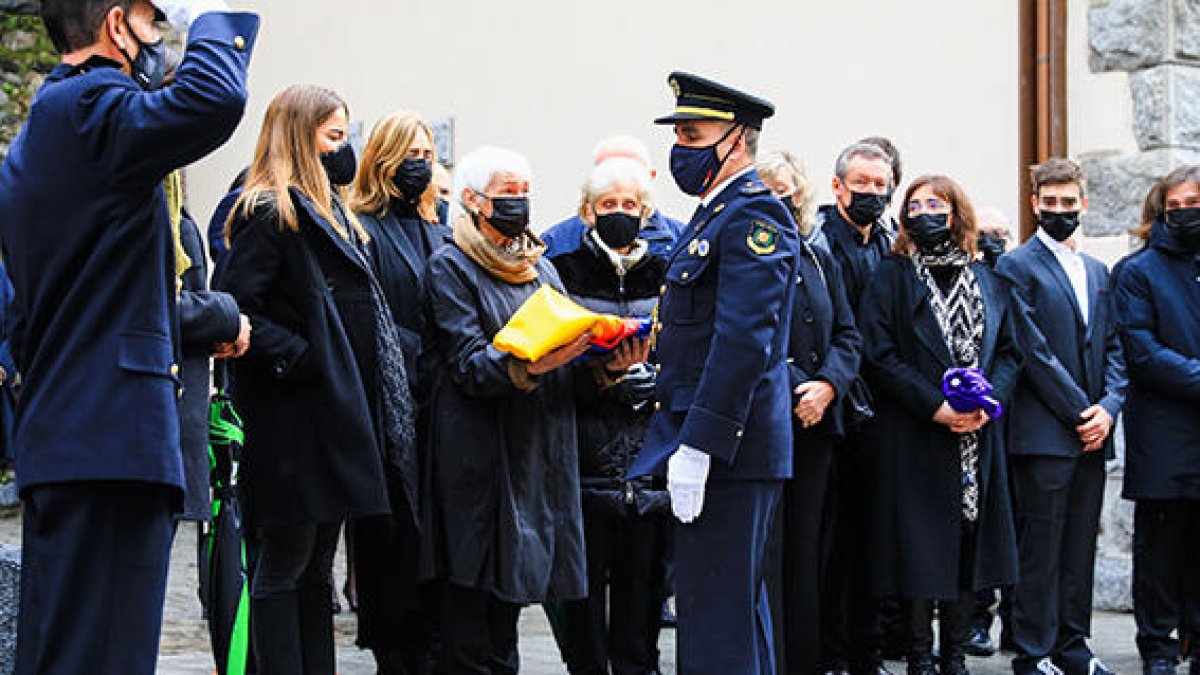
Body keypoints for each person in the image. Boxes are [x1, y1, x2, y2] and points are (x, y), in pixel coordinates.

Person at [0, 1, 257, 671]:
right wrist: (212, 15)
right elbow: (214, 98)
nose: (164, 38)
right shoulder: (91, 107)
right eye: (154, 21)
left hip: (71, 434)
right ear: (116, 26)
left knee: (65, 653)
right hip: (111, 441)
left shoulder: (46, 127)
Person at [220, 84, 404, 674]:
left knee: (314, 569)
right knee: (285, 565)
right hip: (294, 420)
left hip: (333, 415)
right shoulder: (269, 213)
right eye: (334, 137)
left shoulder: (333, 215)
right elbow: (237, 310)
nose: (343, 150)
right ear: (301, 137)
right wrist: (302, 358)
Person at [628, 71, 799, 675]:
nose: (683, 148)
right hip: (717, 440)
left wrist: (699, 444)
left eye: (695, 134)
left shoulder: (754, 217)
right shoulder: (712, 215)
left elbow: (744, 344)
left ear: (738, 141)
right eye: (679, 134)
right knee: (728, 612)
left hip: (730, 447)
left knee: (716, 620)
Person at [420, 146, 614, 673]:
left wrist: (606, 359)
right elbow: (468, 365)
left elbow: (569, 357)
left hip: (538, 455)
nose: (519, 202)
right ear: (471, 200)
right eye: (508, 193)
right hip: (480, 458)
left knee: (508, 619)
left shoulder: (542, 268)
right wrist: (533, 361)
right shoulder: (450, 266)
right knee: (470, 616)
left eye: (525, 191)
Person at [859, 174, 1020, 675]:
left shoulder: (989, 277)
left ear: (957, 213)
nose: (925, 211)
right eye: (916, 203)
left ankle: (955, 655)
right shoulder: (892, 274)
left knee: (969, 548)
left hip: (977, 438)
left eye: (937, 203)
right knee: (920, 550)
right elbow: (879, 354)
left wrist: (987, 402)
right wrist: (936, 406)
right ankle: (919, 657)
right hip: (916, 431)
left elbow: (1012, 352)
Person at [996, 158, 1127, 675]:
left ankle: (1075, 647)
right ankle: (1033, 653)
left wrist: (1109, 408)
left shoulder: (1097, 271)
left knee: (1078, 550)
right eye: (1049, 204)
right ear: (1034, 205)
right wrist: (1080, 411)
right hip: (1045, 433)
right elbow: (1032, 350)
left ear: (1083, 204)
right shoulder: (1016, 265)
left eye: (1068, 204)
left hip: (1095, 433)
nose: (1059, 211)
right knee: (1041, 551)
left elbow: (1114, 346)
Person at [546, 157, 668, 675]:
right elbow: (548, 361)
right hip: (584, 460)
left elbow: (686, 356)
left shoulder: (667, 273)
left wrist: (649, 377)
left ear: (645, 212)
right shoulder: (562, 268)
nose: (620, 213)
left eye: (630, 205)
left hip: (648, 464)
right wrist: (602, 375)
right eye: (608, 205)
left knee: (642, 614)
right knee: (583, 607)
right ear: (587, 212)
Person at [348, 109, 451, 674]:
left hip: (443, 413)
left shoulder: (442, 228)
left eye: (427, 155)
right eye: (409, 154)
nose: (420, 164)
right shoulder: (364, 230)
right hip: (393, 416)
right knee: (395, 558)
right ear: (383, 159)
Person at [769, 199, 864, 675]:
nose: (780, 207)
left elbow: (848, 334)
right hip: (764, 427)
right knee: (768, 556)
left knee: (807, 552)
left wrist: (827, 385)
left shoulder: (818, 257)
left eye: (789, 197)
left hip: (817, 426)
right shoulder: (744, 255)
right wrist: (793, 390)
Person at [1113, 165, 1200, 675]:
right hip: (1162, 432)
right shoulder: (1138, 271)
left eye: (1196, 201)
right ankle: (1159, 645)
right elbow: (1142, 350)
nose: (1188, 211)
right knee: (1161, 544)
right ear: (1160, 209)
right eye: (1179, 203)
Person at [819, 140, 898, 675]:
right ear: (837, 187)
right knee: (835, 542)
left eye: (880, 186)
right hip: (835, 412)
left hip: (887, 413)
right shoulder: (821, 245)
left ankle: (869, 652)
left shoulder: (892, 244)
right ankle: (833, 653)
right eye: (862, 184)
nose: (872, 194)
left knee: (876, 538)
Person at [541, 135, 685, 258]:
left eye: (632, 173)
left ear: (651, 177)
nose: (619, 181)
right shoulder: (557, 242)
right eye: (606, 173)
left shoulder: (683, 241)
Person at [758, 150, 826, 251]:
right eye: (762, 190)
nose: (771, 198)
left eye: (780, 190)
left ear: (799, 195)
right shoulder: (738, 233)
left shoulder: (814, 241)